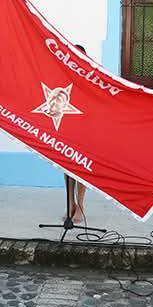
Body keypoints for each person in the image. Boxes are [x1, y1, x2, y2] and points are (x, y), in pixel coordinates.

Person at [63, 44, 90, 223]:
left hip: (85, 127)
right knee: (67, 166)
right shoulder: (63, 74)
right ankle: (70, 204)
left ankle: (80, 205)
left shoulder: (90, 76)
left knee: (81, 167)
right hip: (67, 125)